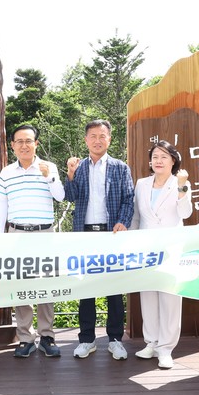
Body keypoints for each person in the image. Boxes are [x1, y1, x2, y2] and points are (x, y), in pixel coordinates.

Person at [64, 119, 134, 360]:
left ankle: (115, 339)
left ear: (109, 139)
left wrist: (123, 221)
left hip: (111, 234)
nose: (97, 140)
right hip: (84, 234)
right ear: (86, 140)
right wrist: (70, 175)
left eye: (102, 136)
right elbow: (70, 197)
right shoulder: (79, 167)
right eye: (92, 136)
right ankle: (87, 339)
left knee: (114, 288)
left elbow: (129, 198)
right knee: (86, 288)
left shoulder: (120, 167)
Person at [0, 124, 65, 359]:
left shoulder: (48, 167)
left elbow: (60, 196)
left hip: (45, 234)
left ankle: (47, 336)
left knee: (46, 285)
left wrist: (49, 177)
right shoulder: (6, 172)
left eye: (28, 141)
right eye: (19, 141)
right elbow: (1, 206)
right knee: (21, 286)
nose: (24, 145)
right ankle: (25, 337)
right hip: (17, 234)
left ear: (36, 143)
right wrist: (1, 237)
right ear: (12, 145)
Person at [127, 140, 192, 369]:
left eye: (164, 156)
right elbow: (136, 216)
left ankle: (166, 349)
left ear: (173, 160)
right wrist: (131, 242)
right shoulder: (142, 184)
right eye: (155, 156)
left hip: (171, 249)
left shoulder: (180, 183)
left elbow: (185, 212)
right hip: (146, 249)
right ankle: (151, 343)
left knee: (170, 299)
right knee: (148, 297)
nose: (159, 161)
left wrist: (182, 188)